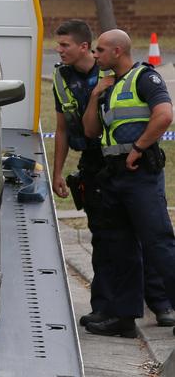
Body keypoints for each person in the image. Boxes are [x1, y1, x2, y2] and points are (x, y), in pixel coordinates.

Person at [51, 20, 174, 330]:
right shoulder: (107, 84)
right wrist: (94, 96)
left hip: (139, 173)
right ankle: (122, 317)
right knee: (117, 245)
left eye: (101, 50)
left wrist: (138, 148)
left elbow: (165, 115)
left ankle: (164, 305)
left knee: (157, 242)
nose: (96, 54)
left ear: (117, 51)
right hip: (110, 175)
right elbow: (90, 130)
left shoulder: (143, 78)